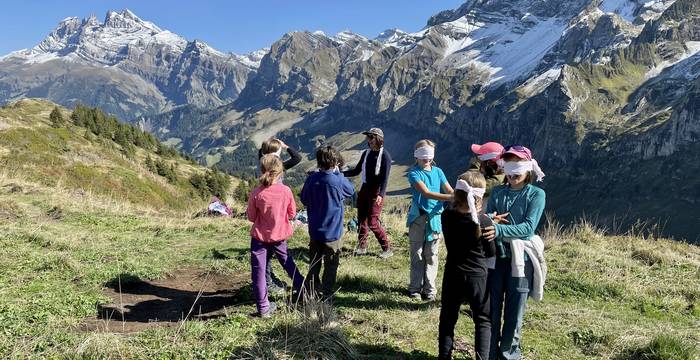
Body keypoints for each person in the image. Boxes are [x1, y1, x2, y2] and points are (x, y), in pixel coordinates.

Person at [482, 145, 546, 360]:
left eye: (517, 167)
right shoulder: (499, 192)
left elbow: (528, 228)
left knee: (514, 311)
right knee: (492, 309)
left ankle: (509, 354)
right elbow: (488, 218)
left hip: (521, 260)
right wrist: (491, 221)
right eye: (508, 166)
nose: (512, 173)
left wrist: (498, 228)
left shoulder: (536, 194)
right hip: (496, 257)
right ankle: (489, 353)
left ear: (528, 168)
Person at [439, 171, 491, 360]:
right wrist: (490, 221)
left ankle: (444, 356)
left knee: (447, 319)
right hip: (477, 276)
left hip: (453, 273)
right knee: (482, 320)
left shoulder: (446, 215)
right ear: (480, 197)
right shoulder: (484, 222)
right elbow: (490, 251)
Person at [246, 155, 304, 317]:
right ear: (280, 172)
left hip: (259, 238)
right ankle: (305, 290)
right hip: (279, 236)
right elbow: (292, 214)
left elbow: (251, 217)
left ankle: (263, 308)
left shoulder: (256, 193)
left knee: (258, 271)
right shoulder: (286, 191)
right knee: (288, 263)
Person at [301, 145, 355, 298]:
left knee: (314, 262)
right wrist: (340, 175)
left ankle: (311, 290)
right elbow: (351, 191)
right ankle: (326, 292)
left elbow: (304, 199)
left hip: (315, 229)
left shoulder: (312, 179)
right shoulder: (337, 180)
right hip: (333, 232)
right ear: (335, 162)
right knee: (331, 264)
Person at [406, 139, 454, 301]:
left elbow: (448, 188)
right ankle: (414, 288)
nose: (427, 159)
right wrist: (452, 198)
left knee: (432, 254)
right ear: (416, 156)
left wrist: (455, 194)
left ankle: (430, 289)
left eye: (430, 155)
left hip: (434, 218)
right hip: (418, 218)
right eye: (423, 155)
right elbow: (426, 193)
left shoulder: (438, 172)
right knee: (417, 253)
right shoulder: (413, 173)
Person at [258, 137, 302, 294]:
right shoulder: (280, 166)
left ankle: (268, 281)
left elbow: (262, 153)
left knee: (265, 256)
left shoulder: (263, 163)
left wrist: (267, 146)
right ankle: (300, 283)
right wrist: (286, 146)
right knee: (283, 255)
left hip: (265, 212)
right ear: (277, 152)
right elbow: (298, 158)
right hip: (279, 208)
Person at [343, 127, 393, 258]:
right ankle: (362, 246)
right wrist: (341, 174)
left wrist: (381, 195)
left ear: (378, 139)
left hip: (375, 191)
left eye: (371, 137)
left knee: (373, 222)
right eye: (368, 137)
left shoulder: (385, 156)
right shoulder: (366, 153)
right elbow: (357, 170)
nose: (368, 140)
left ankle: (387, 248)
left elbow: (385, 178)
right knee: (361, 219)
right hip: (365, 189)